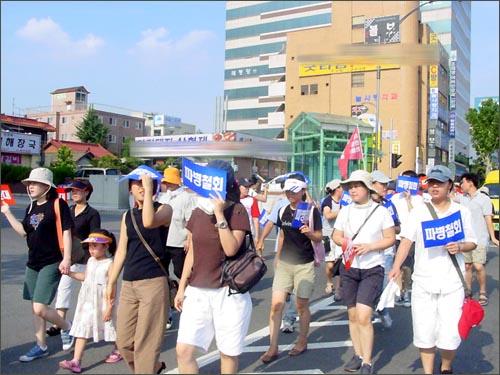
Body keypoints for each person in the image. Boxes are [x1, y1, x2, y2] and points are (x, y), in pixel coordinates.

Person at [388, 165, 477, 374]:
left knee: (450, 334)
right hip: (423, 281)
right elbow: (406, 241)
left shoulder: (461, 211)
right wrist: (396, 267)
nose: (434, 186)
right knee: (424, 332)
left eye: (440, 183)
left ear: (449, 185)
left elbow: (472, 242)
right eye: (431, 183)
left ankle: (446, 366)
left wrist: (460, 246)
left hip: (452, 283)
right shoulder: (419, 212)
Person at [174, 160, 252, 374]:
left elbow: (230, 249)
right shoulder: (198, 212)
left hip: (228, 293)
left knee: (227, 353)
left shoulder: (237, 211)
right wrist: (182, 288)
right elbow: (192, 252)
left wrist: (219, 214)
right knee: (183, 350)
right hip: (198, 290)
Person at [1, 167, 74, 361]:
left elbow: (66, 231)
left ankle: (68, 327)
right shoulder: (31, 207)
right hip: (33, 261)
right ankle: (41, 345)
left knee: (40, 307)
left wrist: (66, 258)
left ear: (46, 186)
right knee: (35, 306)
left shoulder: (58, 204)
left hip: (51, 261)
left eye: (34, 183)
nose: (30, 186)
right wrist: (7, 213)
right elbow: (24, 231)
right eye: (29, 183)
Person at [106, 167, 173, 374]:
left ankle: (146, 369)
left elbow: (149, 221)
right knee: (124, 342)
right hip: (130, 283)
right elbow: (121, 252)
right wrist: (112, 282)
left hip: (153, 282)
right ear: (130, 189)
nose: (141, 186)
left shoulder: (165, 209)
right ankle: (152, 368)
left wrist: (148, 188)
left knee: (146, 342)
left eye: (145, 182)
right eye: (136, 183)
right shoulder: (128, 215)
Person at [332, 170, 396, 374]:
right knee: (352, 315)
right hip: (350, 267)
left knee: (363, 316)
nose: (352, 189)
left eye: (357, 186)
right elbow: (336, 236)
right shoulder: (346, 211)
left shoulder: (381, 212)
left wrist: (370, 246)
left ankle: (367, 361)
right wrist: (346, 243)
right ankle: (358, 355)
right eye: (350, 186)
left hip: (372, 268)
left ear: (367, 188)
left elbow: (390, 238)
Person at [260, 173, 322, 364]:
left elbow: (319, 237)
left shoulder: (312, 212)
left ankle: (302, 340)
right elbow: (282, 236)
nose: (289, 194)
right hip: (285, 264)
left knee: (301, 306)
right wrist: (277, 257)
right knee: (276, 305)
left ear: (304, 190)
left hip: (304, 264)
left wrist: (309, 233)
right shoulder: (283, 210)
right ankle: (273, 347)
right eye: (287, 191)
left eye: (294, 191)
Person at [59, 229, 122, 373]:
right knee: (83, 327)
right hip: (88, 301)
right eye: (90, 246)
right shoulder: (90, 261)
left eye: (95, 246)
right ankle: (76, 361)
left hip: (104, 300)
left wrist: (109, 307)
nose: (91, 249)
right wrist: (70, 273)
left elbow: (113, 285)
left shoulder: (109, 263)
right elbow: (85, 277)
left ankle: (119, 349)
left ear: (106, 246)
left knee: (111, 327)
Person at [48, 179, 101, 343]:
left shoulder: (92, 214)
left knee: (89, 294)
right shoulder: (69, 211)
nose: (74, 193)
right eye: (72, 190)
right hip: (69, 258)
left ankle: (93, 325)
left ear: (87, 192)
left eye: (78, 190)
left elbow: (95, 237)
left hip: (86, 259)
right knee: (64, 288)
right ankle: (60, 323)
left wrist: (95, 259)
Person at [157, 166, 197, 329]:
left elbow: (190, 221)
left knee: (184, 273)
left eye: (168, 181)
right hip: (163, 242)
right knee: (162, 277)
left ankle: (191, 301)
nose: (166, 184)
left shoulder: (185, 197)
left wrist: (189, 239)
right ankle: (167, 312)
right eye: (165, 181)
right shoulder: (162, 197)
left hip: (180, 242)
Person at [458, 173, 499, 306]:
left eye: (462, 182)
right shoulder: (461, 198)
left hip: (480, 237)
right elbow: (449, 197)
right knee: (467, 266)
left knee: (478, 266)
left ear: (470, 183)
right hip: (464, 239)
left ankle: (482, 292)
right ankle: (468, 292)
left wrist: (493, 237)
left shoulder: (484, 199)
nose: (461, 185)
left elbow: (488, 218)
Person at [370, 170, 401, 329]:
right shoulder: (362, 205)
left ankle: (382, 310)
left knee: (384, 284)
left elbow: (398, 227)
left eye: (386, 184)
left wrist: (388, 228)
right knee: (367, 287)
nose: (385, 187)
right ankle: (367, 314)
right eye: (382, 184)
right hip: (366, 253)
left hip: (386, 253)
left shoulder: (389, 205)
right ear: (372, 184)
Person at [390, 169, 424, 307]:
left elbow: (416, 215)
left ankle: (407, 291)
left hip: (412, 237)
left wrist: (409, 200)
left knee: (408, 267)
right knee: (397, 265)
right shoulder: (395, 198)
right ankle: (399, 292)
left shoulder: (419, 199)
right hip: (397, 236)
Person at [321, 179, 343, 297]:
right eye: (341, 187)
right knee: (330, 264)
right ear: (336, 189)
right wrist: (341, 211)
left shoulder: (345, 201)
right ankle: (329, 282)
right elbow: (328, 215)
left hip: (340, 236)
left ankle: (339, 289)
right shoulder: (328, 201)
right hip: (328, 236)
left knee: (340, 263)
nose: (343, 190)